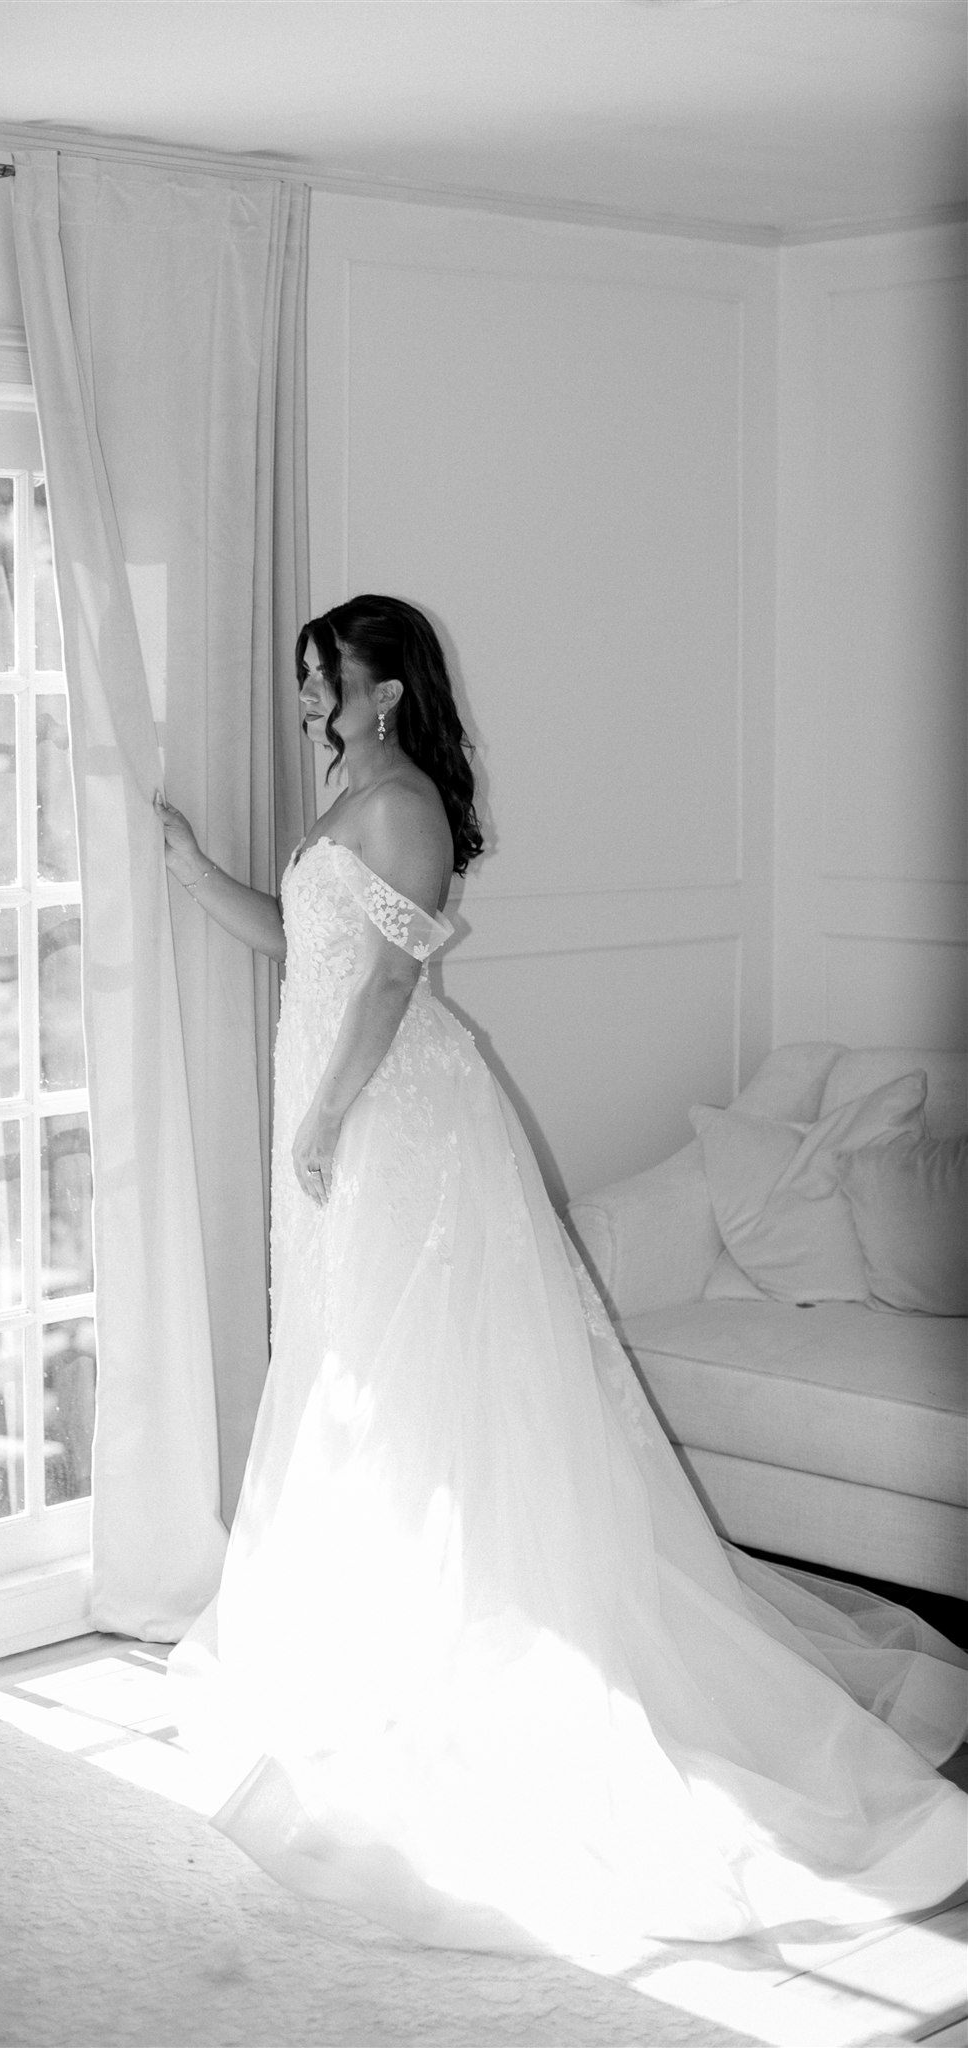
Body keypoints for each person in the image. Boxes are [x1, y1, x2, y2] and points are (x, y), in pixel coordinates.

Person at [155, 593, 967, 1965]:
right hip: (346, 1111)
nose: (304, 700)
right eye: (304, 681)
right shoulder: (348, 793)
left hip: (395, 1123)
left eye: (320, 679)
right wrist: (192, 873)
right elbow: (304, 944)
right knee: (351, 1373)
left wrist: (325, 1120)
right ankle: (364, 1646)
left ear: (382, 691)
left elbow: (385, 991)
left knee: (410, 1380)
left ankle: (467, 1656)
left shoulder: (403, 802)